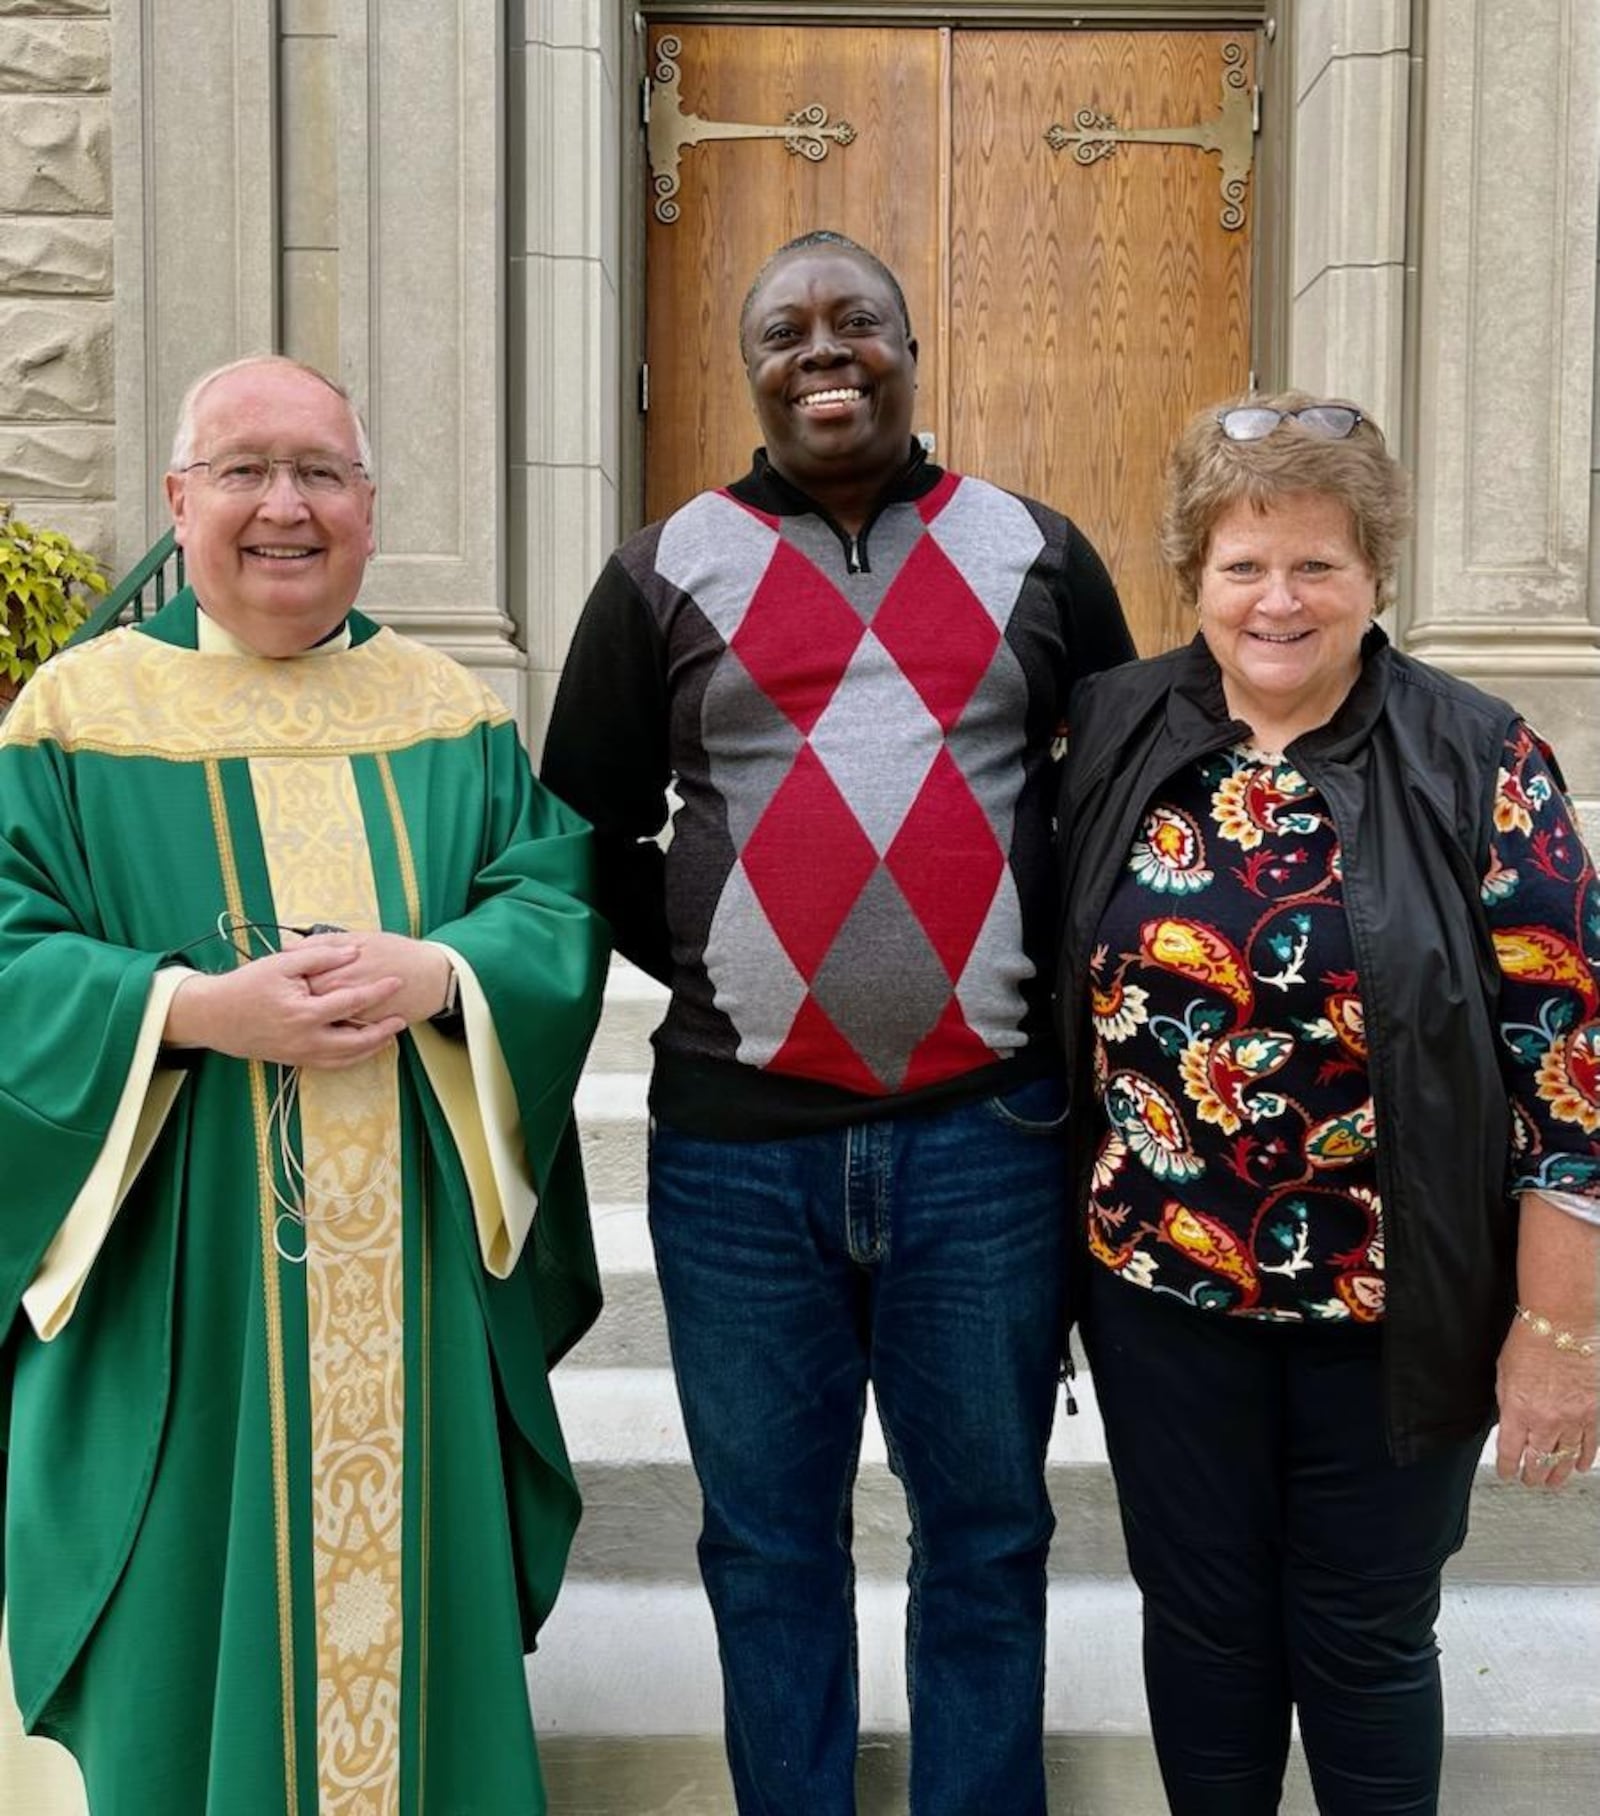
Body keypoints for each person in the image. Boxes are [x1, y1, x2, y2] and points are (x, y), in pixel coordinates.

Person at [541, 230, 1134, 1814]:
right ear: (747, 368)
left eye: (857, 321)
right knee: (768, 1540)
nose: (826, 349)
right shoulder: (661, 567)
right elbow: (579, 830)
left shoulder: (1039, 552)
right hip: (738, 1157)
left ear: (910, 349)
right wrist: (729, 965)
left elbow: (1117, 810)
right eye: (788, 327)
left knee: (991, 1535)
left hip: (986, 1142)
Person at [0, 355, 608, 1814]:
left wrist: (445, 976)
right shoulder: (73, 719)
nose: (286, 506)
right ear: (177, 500)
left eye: (321, 472)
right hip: (180, 1290)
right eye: (246, 470)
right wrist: (188, 1009)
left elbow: (550, 904)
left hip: (407, 1290)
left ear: (372, 507)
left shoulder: (445, 710)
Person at [1054, 392, 1600, 1814]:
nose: (1279, 601)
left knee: (1364, 1642)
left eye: (1318, 566)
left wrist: (1559, 1330)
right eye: (1244, 565)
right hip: (1159, 1295)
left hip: (1396, 1305)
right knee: (1203, 1631)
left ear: (1375, 577)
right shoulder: (1113, 728)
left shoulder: (1481, 760)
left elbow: (1570, 1071)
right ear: (1195, 575)